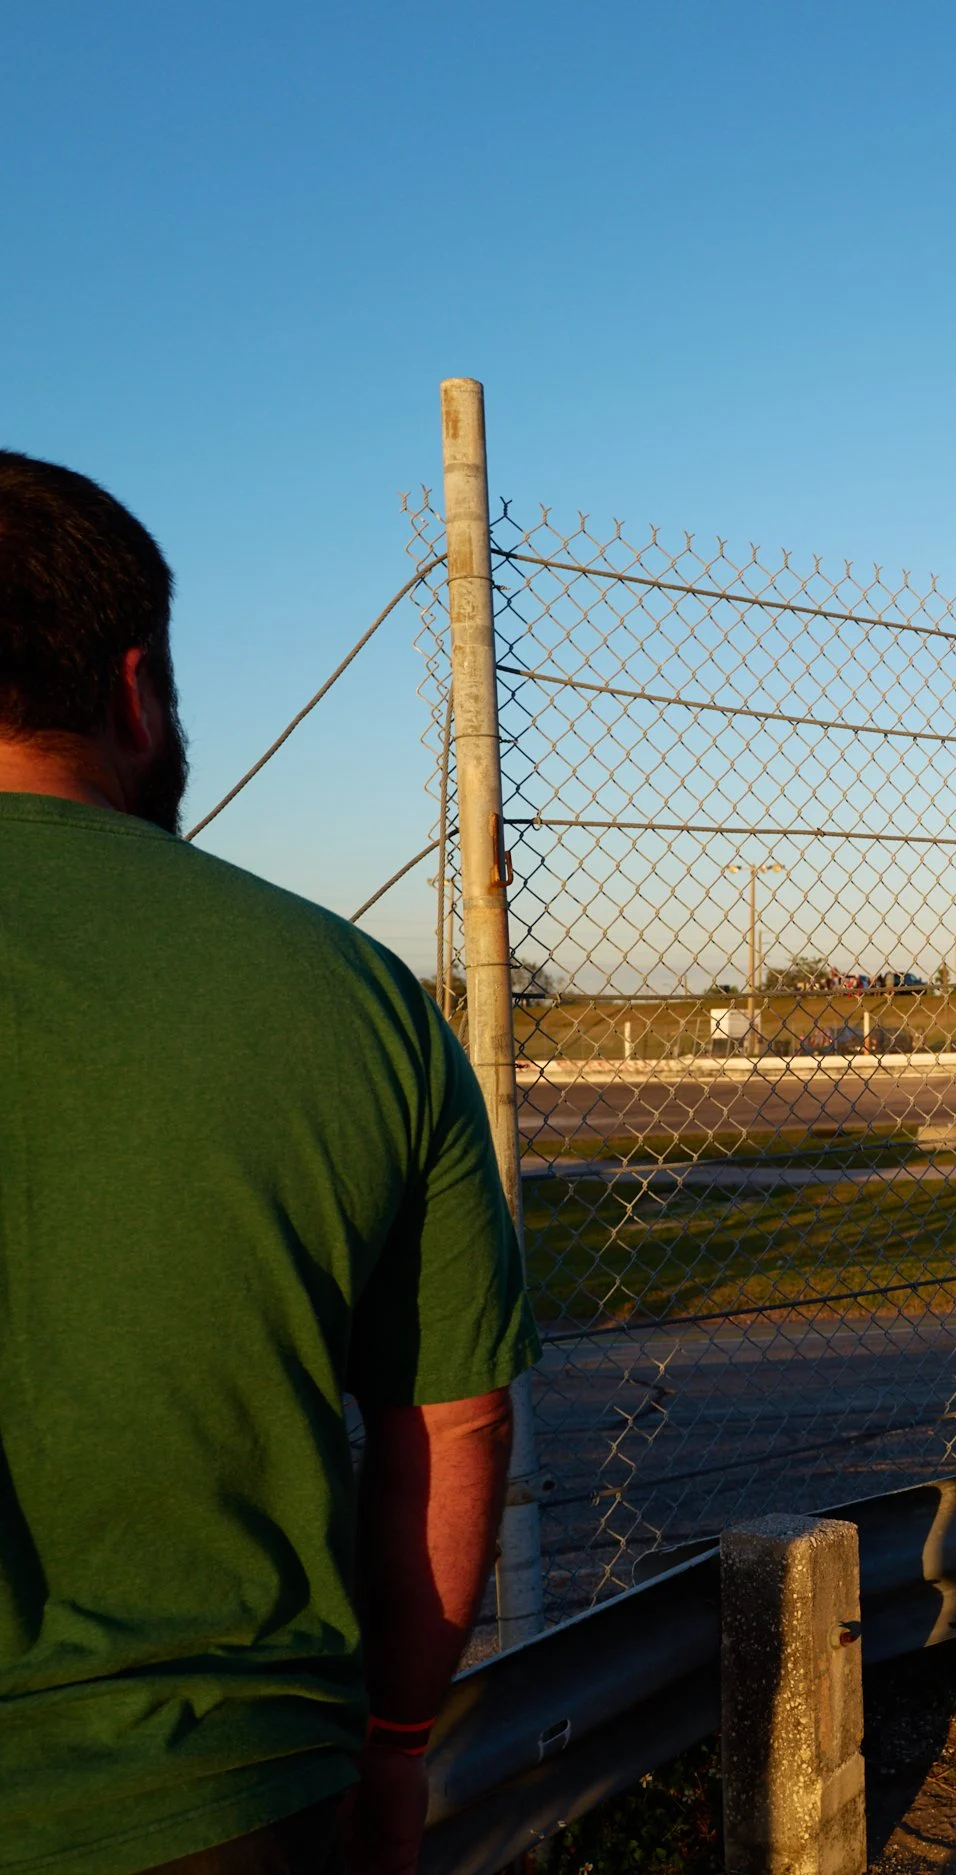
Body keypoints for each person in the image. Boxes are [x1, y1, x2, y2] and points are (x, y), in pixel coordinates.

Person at [0, 452, 539, 1875]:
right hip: (226, 1790)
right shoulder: (348, 993)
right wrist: (399, 1743)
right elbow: (455, 1422)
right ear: (132, 690)